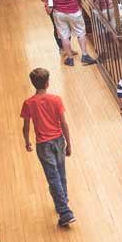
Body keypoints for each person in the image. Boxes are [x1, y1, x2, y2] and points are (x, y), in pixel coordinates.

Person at [21, 68, 76, 227]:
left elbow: (25, 126)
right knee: (61, 174)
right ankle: (63, 201)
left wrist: (26, 141)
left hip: (43, 145)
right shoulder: (56, 100)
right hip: (58, 141)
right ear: (47, 83)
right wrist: (69, 143)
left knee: (53, 177)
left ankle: (65, 212)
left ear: (33, 84)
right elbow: (64, 123)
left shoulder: (29, 103)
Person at [40, 0, 96, 66]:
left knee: (64, 35)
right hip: (74, 10)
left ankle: (70, 58)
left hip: (58, 13)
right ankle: (84, 55)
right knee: (80, 33)